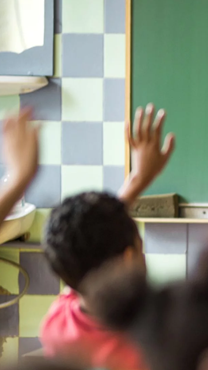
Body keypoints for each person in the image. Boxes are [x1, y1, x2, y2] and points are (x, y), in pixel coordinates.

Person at [39, 104, 175, 369]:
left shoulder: (56, 324)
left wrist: (138, 179)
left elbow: (81, 247)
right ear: (129, 258)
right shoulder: (149, 341)